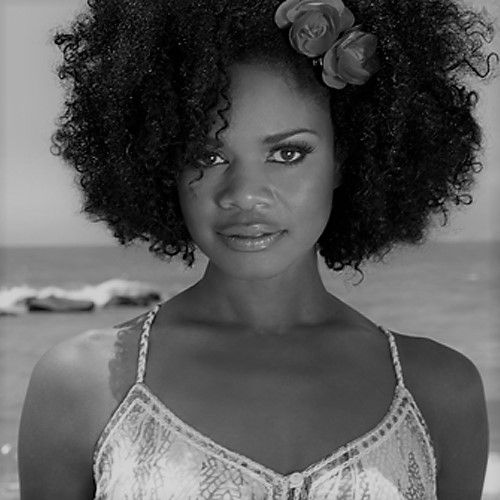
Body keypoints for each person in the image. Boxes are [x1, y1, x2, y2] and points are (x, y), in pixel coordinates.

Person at [17, 0, 497, 498]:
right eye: (208, 155)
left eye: (288, 153)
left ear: (343, 161)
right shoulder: (81, 385)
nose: (244, 193)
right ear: (163, 162)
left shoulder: (439, 392)